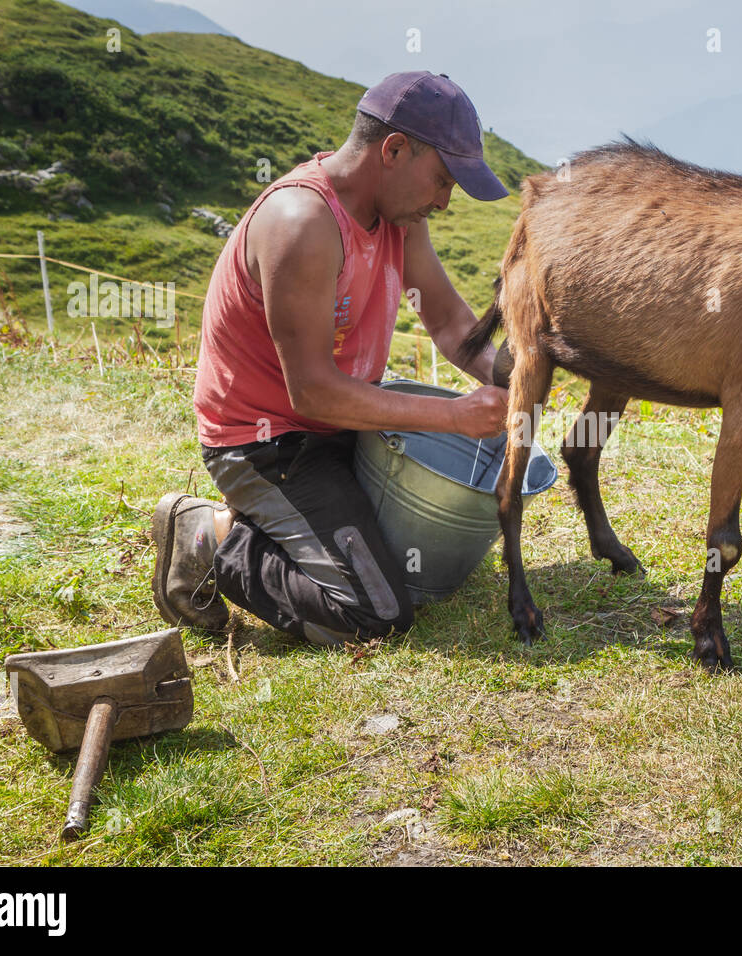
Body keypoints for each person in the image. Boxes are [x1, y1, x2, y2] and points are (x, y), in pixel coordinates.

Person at [151, 71, 510, 647]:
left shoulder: (398, 218)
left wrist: (515, 378)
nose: (444, 202)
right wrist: (456, 416)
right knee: (375, 612)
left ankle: (285, 527)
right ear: (393, 150)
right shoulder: (303, 225)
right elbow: (311, 392)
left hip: (343, 423)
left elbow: (446, 321)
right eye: (442, 180)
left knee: (422, 565)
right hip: (269, 442)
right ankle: (206, 538)